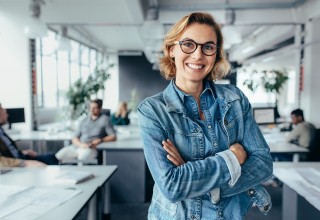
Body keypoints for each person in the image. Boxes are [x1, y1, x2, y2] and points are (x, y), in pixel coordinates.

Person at [138, 12, 273, 219]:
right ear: (172, 49)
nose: (198, 55)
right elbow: (172, 186)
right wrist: (232, 158)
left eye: (208, 47)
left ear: (216, 55)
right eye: (188, 44)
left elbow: (263, 164)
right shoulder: (153, 111)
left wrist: (199, 181)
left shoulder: (235, 100)